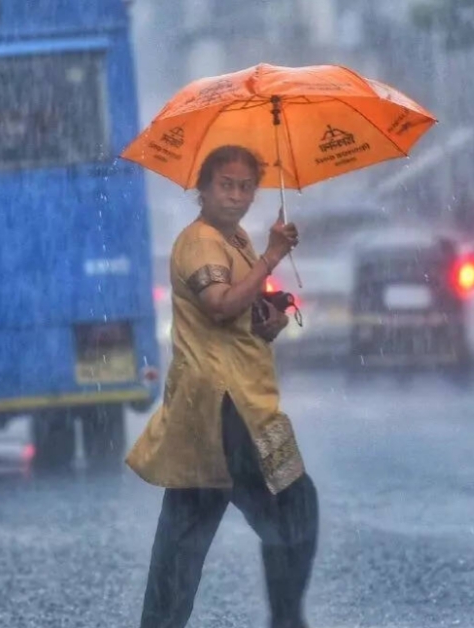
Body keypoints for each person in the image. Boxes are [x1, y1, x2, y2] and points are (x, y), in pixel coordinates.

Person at [127, 145, 318, 628]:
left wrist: (268, 319)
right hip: (223, 406)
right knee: (291, 506)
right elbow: (217, 304)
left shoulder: (234, 242)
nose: (236, 196)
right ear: (203, 189)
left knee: (187, 531)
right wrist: (273, 256)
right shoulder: (201, 241)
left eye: (245, 186)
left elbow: (241, 315)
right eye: (225, 185)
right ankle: (287, 621)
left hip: (235, 401)